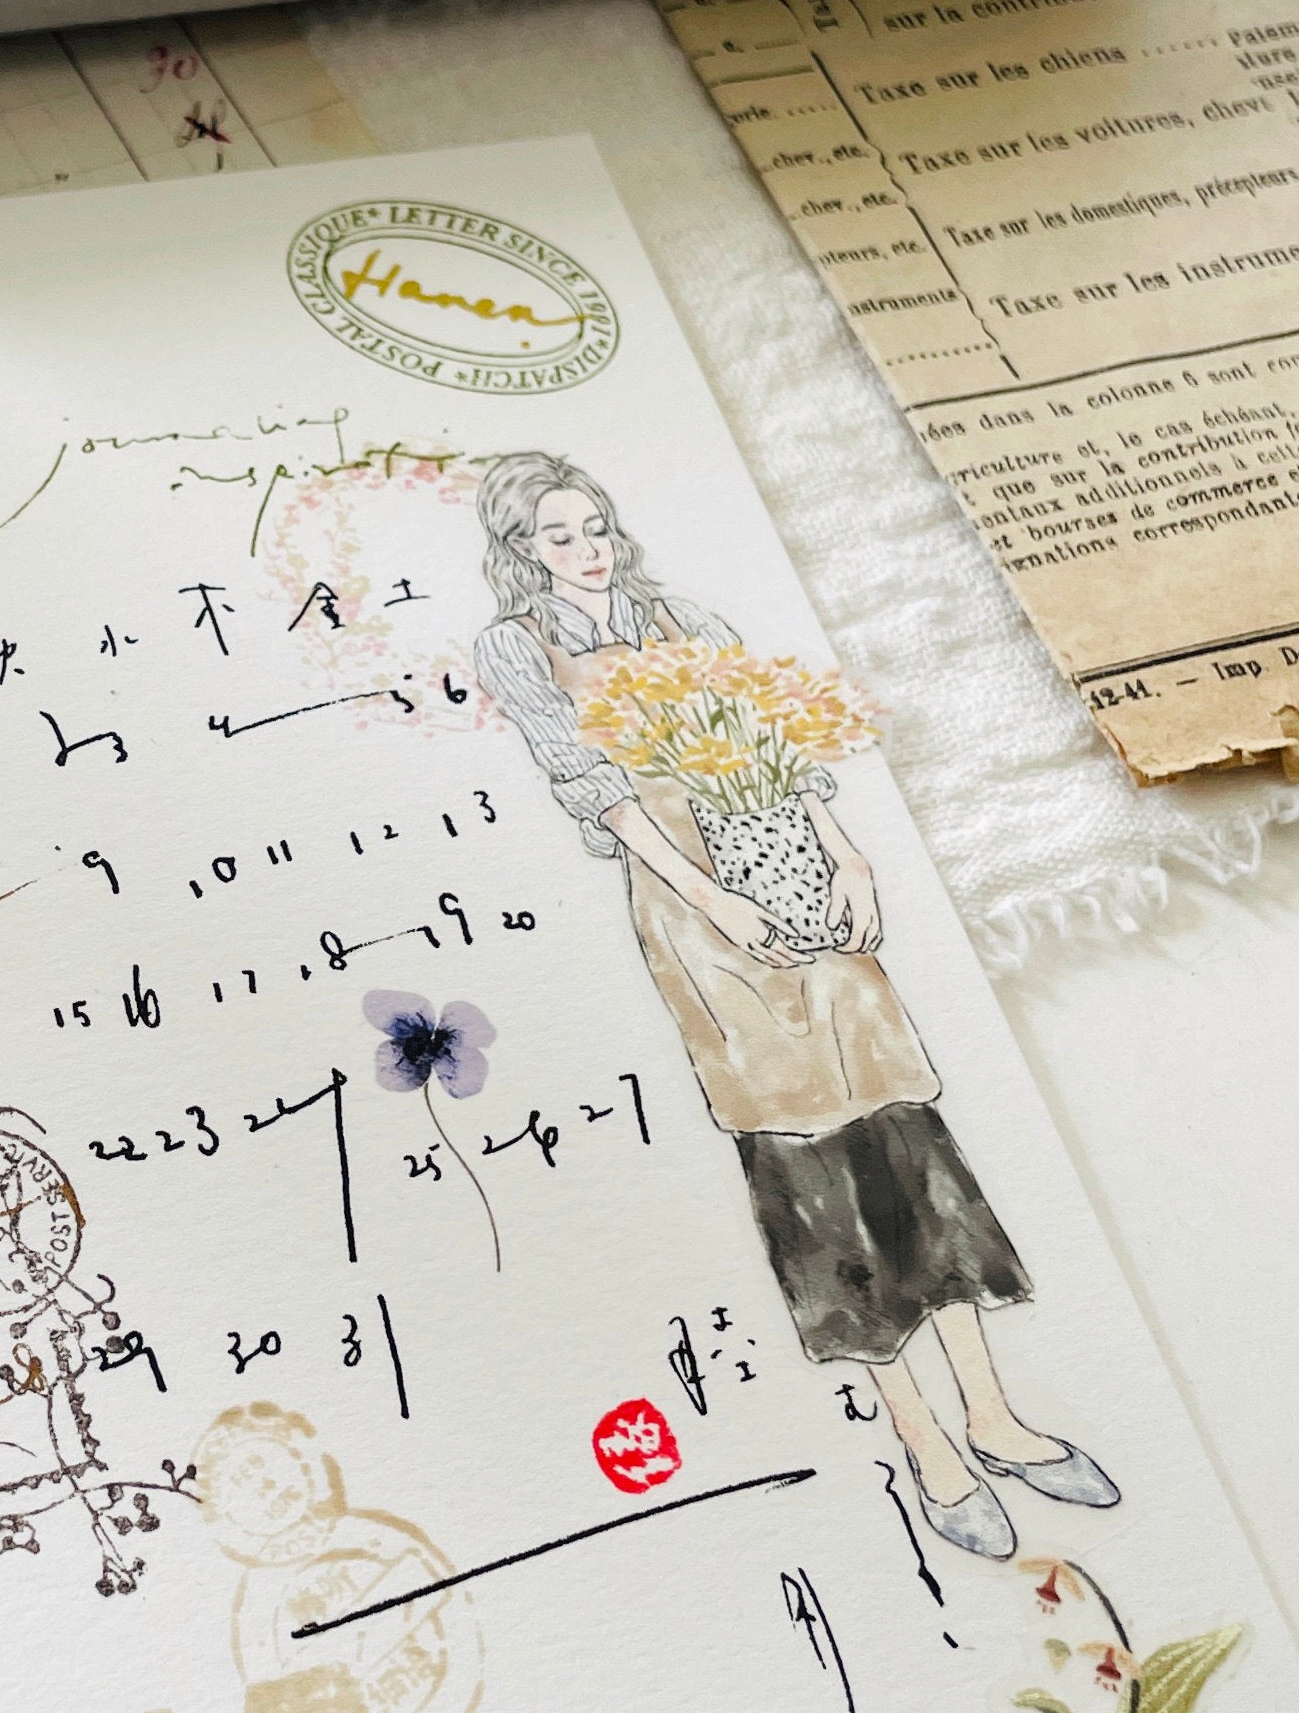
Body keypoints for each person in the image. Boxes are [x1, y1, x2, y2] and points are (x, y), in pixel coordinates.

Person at [470, 449, 1116, 1560]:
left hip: (796, 870)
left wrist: (849, 854)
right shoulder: (516, 646)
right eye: (559, 536)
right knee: (807, 1166)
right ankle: (925, 1442)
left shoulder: (685, 618)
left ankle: (992, 1414)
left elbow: (770, 740)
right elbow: (596, 790)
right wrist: (712, 898)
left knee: (903, 1132)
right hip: (696, 909)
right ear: (522, 551)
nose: (588, 551)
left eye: (596, 526)